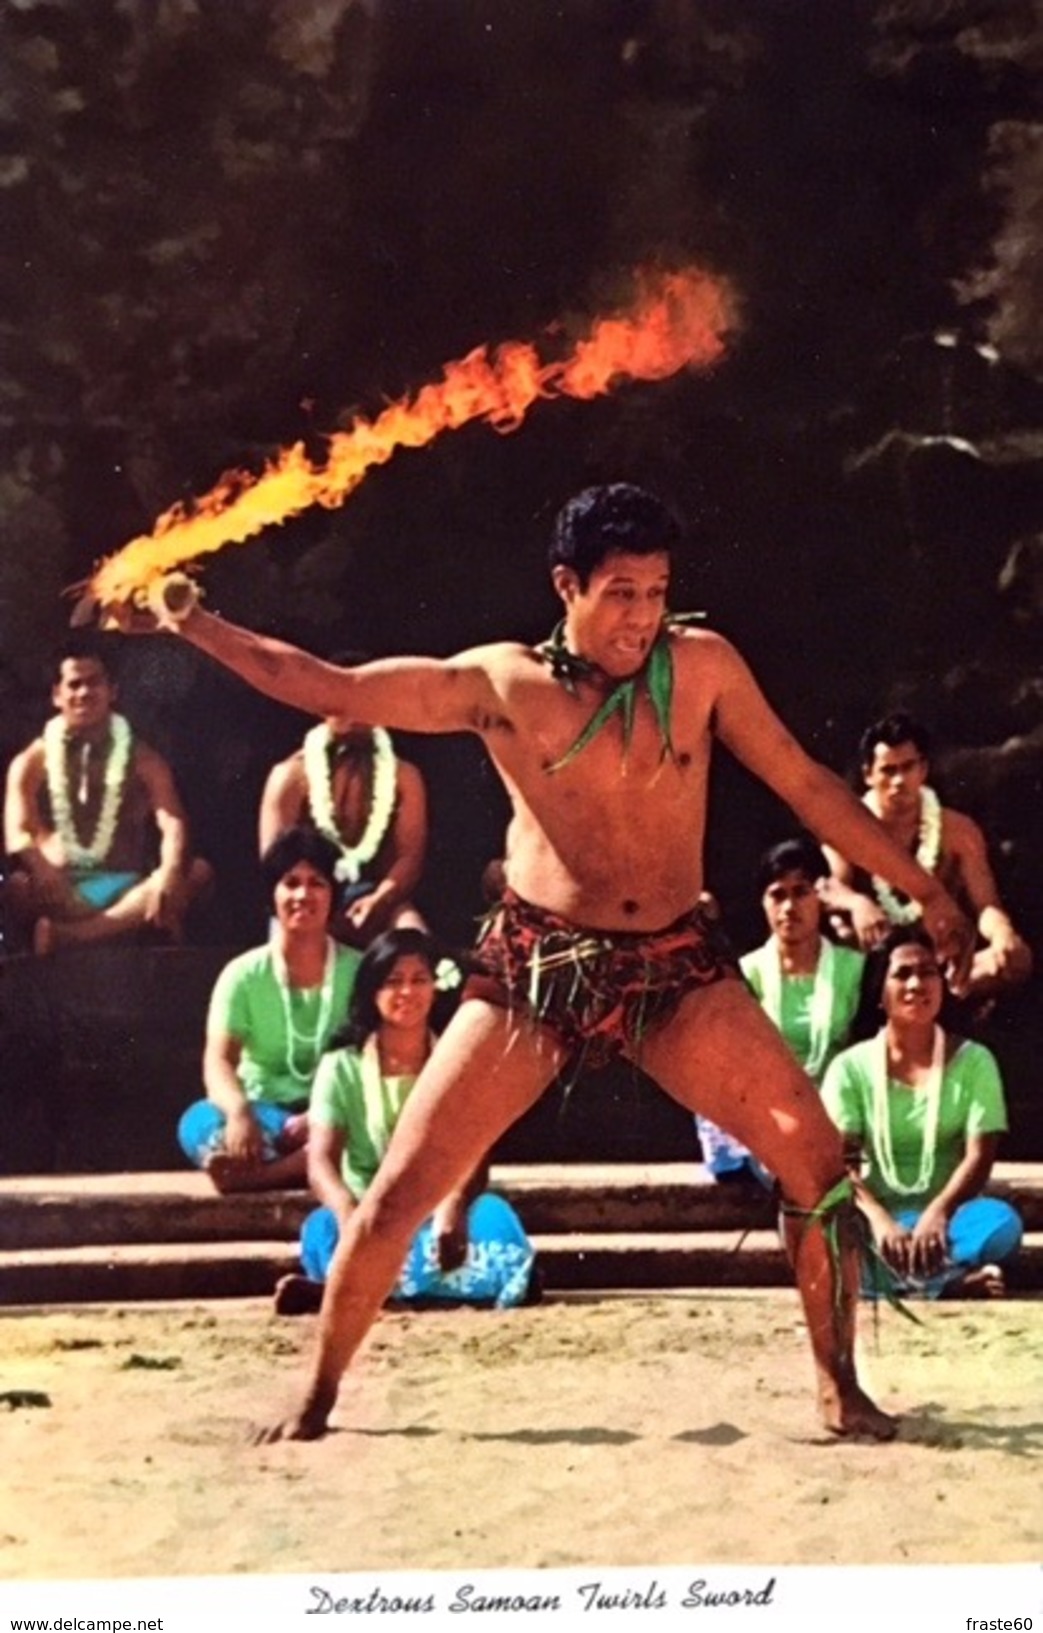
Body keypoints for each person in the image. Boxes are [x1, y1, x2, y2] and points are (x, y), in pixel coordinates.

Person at [114, 481, 973, 1442]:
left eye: (655, 590)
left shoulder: (701, 668)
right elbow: (331, 686)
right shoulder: (504, 685)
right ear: (566, 584)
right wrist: (194, 623)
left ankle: (837, 1383)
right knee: (402, 1187)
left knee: (813, 1159)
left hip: (674, 970)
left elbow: (808, 785)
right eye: (618, 592)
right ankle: (315, 1394)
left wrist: (928, 891)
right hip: (539, 966)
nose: (640, 615)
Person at [275, 927, 537, 1315]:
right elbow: (321, 1164)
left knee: (494, 1217)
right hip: (369, 1208)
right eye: (393, 982)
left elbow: (474, 1148)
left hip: (437, 1210)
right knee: (321, 1228)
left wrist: (452, 1206)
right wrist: (350, 1212)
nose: (407, 993)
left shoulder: (456, 1058)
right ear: (372, 991)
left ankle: (362, 1294)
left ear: (436, 987)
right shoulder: (340, 1066)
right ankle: (426, 1292)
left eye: (419, 980)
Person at [821, 925, 1022, 1299]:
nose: (916, 985)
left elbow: (980, 1158)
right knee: (826, 1239)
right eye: (902, 974)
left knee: (1001, 1225)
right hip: (874, 1221)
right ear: (880, 992)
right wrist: (881, 1222)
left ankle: (900, 1283)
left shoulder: (975, 1062)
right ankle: (945, 1282)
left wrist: (938, 1214)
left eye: (927, 972)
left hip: (950, 1221)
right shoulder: (849, 1069)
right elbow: (841, 1165)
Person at [178, 827, 361, 1193]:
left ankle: (261, 1175)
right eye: (290, 882)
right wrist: (239, 1112)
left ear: (334, 895)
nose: (302, 895)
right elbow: (219, 1061)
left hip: (333, 1114)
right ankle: (312, 1162)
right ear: (272, 894)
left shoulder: (360, 972)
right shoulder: (243, 975)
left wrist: (319, 1115)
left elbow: (370, 1059)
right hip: (265, 1116)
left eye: (316, 883)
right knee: (197, 1121)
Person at [3, 633, 212, 953]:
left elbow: (173, 823)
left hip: (125, 891)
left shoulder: (142, 758)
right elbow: (16, 832)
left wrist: (169, 871)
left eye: (94, 682)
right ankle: (107, 928)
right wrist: (40, 867)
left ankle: (71, 936)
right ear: (57, 695)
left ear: (112, 691)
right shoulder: (32, 761)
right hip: (58, 890)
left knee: (195, 874)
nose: (84, 692)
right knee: (17, 887)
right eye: (74, 684)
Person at [820, 711, 1032, 1006]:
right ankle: (916, 1000)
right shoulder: (848, 829)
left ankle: (937, 996)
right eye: (888, 770)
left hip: (940, 961)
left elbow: (986, 905)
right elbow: (828, 889)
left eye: (907, 767)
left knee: (1016, 960)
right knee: (840, 929)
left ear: (923, 769)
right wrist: (858, 903)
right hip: (876, 964)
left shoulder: (958, 830)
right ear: (868, 775)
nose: (899, 780)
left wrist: (1002, 934)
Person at [695, 837, 866, 1185]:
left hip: (836, 1112)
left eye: (801, 892)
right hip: (769, 1112)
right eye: (777, 894)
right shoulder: (746, 971)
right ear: (763, 903)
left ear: (822, 898)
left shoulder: (856, 970)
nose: (789, 907)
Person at [258, 705, 428, 949]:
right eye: (343, 702)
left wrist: (379, 901)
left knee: (414, 936)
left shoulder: (404, 776)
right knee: (293, 948)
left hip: (374, 897)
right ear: (322, 706)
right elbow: (276, 866)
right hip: (305, 897)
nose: (355, 713)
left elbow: (409, 859)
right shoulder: (290, 775)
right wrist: (323, 911)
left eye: (363, 700)